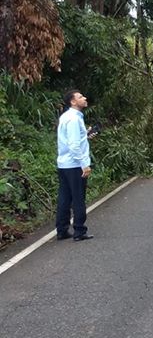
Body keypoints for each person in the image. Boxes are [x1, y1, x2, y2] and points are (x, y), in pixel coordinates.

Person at [56, 89, 94, 241]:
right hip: (74, 164)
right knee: (78, 198)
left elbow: (73, 140)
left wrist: (85, 134)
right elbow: (73, 145)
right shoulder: (73, 119)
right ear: (73, 102)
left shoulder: (67, 117)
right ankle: (79, 231)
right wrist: (84, 164)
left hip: (64, 164)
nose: (84, 98)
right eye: (80, 97)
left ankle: (62, 230)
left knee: (65, 197)